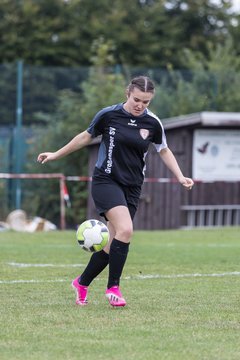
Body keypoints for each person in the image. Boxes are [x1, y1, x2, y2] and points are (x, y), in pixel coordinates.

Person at [37, 76, 194, 308]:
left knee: (113, 243)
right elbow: (85, 137)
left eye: (146, 102)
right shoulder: (108, 115)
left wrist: (180, 175)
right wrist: (56, 154)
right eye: (137, 99)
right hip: (106, 180)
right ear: (127, 93)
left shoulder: (153, 123)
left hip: (132, 187)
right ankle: (113, 288)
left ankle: (81, 282)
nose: (140, 105)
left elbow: (164, 150)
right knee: (126, 229)